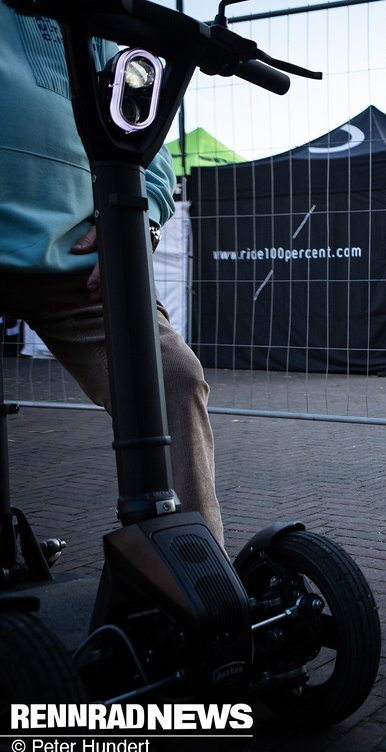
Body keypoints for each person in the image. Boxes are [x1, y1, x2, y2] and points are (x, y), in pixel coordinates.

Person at [0, 9, 224, 547]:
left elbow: (148, 144)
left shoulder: (99, 16)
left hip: (78, 256)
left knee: (174, 375)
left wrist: (136, 221)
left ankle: (191, 571)